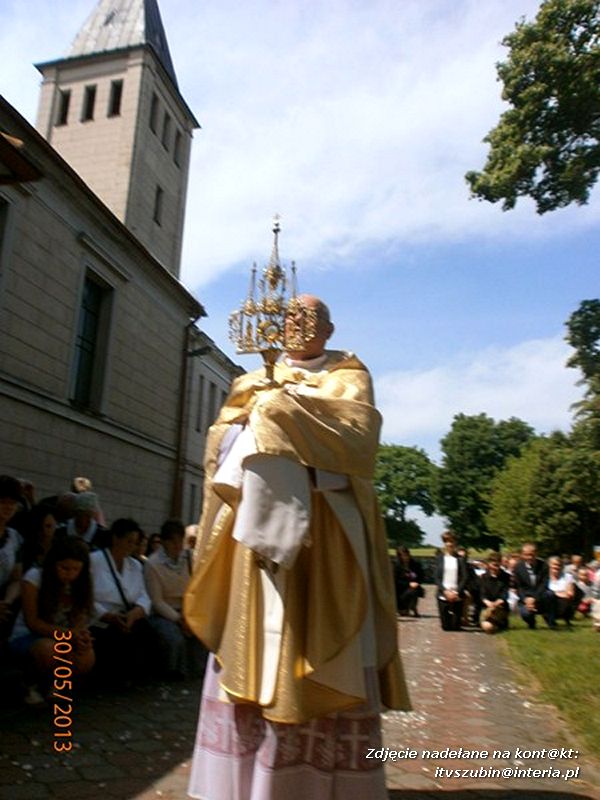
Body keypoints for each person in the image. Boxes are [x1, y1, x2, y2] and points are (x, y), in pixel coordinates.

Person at [184, 294, 410, 800]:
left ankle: (321, 781)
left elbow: (357, 437)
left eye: (309, 317)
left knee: (323, 645)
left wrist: (282, 412)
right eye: (289, 316)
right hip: (255, 541)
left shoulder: (349, 376)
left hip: (326, 531)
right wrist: (253, 421)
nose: (296, 323)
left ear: (329, 330)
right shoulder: (251, 381)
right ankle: (248, 782)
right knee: (252, 643)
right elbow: (220, 442)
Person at [9, 537, 95, 705]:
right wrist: (69, 634)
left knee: (87, 657)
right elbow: (32, 622)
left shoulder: (82, 583)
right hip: (29, 635)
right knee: (50, 650)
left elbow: (80, 619)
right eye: (64, 568)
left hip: (64, 635)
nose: (70, 574)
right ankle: (33, 683)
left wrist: (81, 638)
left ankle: (57, 684)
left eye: (76, 569)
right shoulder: (34, 578)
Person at [89, 518, 156, 686]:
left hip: (127, 615)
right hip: (100, 619)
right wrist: (107, 616)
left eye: (135, 543)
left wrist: (136, 613)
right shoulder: (94, 561)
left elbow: (143, 595)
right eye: (128, 541)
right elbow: (86, 597)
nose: (132, 547)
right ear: (115, 538)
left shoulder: (135, 565)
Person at [145, 519, 206, 679]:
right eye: (173, 541)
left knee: (201, 632)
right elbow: (157, 601)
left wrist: (189, 615)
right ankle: (172, 673)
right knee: (173, 638)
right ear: (164, 542)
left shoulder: (190, 558)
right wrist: (178, 619)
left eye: (180, 541)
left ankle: (198, 671)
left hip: (187, 609)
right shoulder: (153, 564)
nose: (177, 545)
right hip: (164, 612)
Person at [0, 475, 24, 643]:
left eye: (13, 503)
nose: (8, 507)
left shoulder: (15, 538)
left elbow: (17, 578)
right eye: (3, 502)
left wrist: (6, 603)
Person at [434, 531, 467, 631]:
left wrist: (456, 592)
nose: (449, 544)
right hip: (443, 594)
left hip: (457, 595)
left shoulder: (460, 559)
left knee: (455, 627)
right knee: (446, 627)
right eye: (447, 541)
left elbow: (464, 577)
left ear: (455, 543)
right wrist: (445, 591)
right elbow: (436, 577)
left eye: (452, 541)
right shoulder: (439, 559)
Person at [513, 542, 549, 629]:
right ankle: (531, 623)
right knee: (525, 614)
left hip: (540, 596)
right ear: (522, 555)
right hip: (525, 597)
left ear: (536, 554)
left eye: (532, 554)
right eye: (526, 555)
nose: (529, 557)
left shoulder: (544, 565)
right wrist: (526, 600)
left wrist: (534, 598)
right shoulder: (518, 567)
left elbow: (544, 584)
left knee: (550, 595)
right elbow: (519, 586)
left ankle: (550, 621)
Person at [479, 552, 510, 634]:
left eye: (497, 565)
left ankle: (500, 622)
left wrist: (496, 604)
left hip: (500, 607)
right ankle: (496, 624)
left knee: (490, 625)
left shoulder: (506, 577)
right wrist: (489, 604)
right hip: (487, 606)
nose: (495, 568)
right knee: (487, 626)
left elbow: (505, 594)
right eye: (493, 565)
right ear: (489, 564)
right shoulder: (483, 577)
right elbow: (482, 594)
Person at [393, 545, 424, 616]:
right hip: (400, 591)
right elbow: (396, 581)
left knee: (414, 591)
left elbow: (421, 576)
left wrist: (417, 583)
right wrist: (408, 584)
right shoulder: (396, 566)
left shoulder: (416, 565)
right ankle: (402, 608)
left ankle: (413, 608)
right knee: (403, 611)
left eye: (406, 555)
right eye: (402, 556)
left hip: (414, 588)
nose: (405, 557)